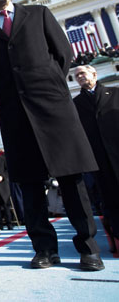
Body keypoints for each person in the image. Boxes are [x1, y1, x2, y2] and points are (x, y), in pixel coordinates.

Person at [0, 0, 104, 271]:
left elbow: (63, 53)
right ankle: (44, 249)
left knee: (71, 179)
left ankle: (88, 247)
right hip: (16, 115)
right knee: (30, 186)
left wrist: (50, 85)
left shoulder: (38, 14)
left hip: (53, 108)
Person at [73, 65, 119, 246]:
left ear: (94, 74)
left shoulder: (115, 94)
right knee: (110, 198)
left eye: (82, 73)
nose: (80, 77)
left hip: (116, 151)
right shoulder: (76, 104)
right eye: (77, 75)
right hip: (99, 158)